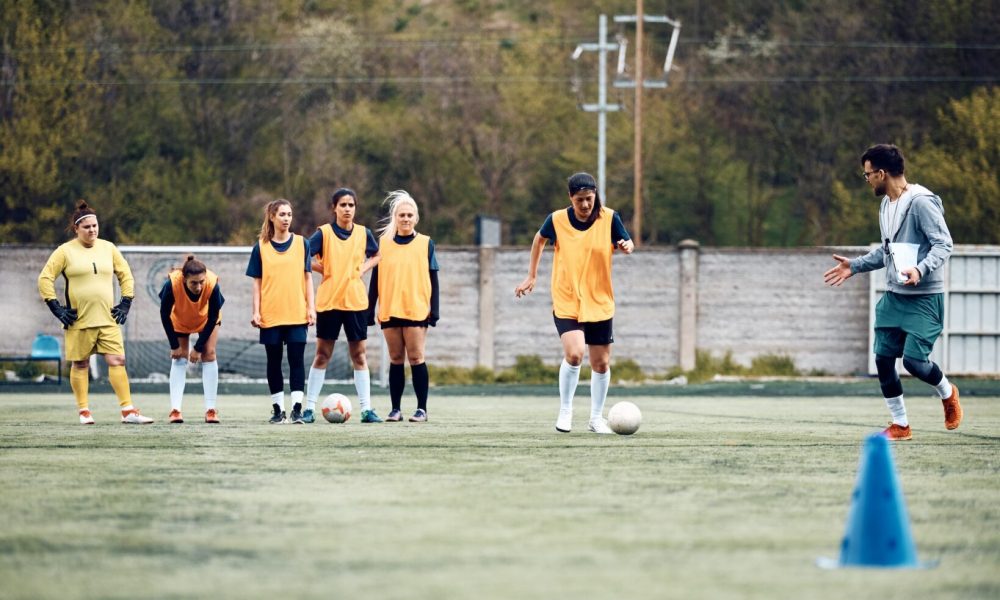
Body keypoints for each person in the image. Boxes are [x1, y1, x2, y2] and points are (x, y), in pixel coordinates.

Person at [823, 144, 961, 441]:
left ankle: (947, 393)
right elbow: (887, 253)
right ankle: (901, 424)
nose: (868, 180)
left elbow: (944, 245)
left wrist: (920, 269)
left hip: (924, 298)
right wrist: (855, 266)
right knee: (883, 360)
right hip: (894, 296)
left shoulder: (922, 202)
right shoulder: (885, 205)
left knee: (913, 362)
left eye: (868, 174)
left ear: (882, 173)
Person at [514, 172, 634, 434]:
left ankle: (595, 419)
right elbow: (539, 240)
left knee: (601, 363)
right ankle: (565, 411)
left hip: (599, 300)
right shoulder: (556, 219)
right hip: (567, 297)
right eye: (579, 200)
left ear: (595, 197)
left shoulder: (609, 217)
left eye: (589, 199)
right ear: (570, 198)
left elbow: (627, 240)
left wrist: (627, 245)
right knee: (575, 353)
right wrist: (531, 275)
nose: (585, 205)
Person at [37, 200, 153, 425]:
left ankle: (128, 411)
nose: (92, 230)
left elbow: (125, 275)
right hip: (78, 320)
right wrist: (56, 307)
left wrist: (126, 301)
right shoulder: (64, 251)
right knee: (80, 364)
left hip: (108, 319)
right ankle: (84, 412)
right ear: (76, 229)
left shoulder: (108, 248)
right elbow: (45, 278)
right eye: (87, 227)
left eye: (95, 226)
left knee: (117, 359)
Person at [304, 188, 382, 423]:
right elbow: (302, 254)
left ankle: (366, 410)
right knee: (322, 355)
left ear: (355, 208)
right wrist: (322, 268)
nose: (348, 209)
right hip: (329, 302)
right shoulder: (324, 233)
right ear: (334, 208)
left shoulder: (363, 233)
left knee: (359, 355)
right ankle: (309, 409)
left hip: (356, 303)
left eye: (351, 205)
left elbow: (377, 255)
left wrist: (364, 268)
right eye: (343, 205)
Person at [367, 190, 439, 422]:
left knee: (416, 358)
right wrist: (370, 310)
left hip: (416, 310)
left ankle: (422, 409)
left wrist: (434, 310)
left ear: (415, 218)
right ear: (394, 218)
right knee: (396, 358)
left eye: (409, 215)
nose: (405, 219)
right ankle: (395, 409)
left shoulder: (426, 243)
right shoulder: (383, 244)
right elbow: (376, 279)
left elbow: (434, 278)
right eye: (401, 215)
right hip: (390, 309)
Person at [246, 199, 316, 424]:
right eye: (282, 214)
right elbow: (257, 283)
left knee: (297, 361)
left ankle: (297, 410)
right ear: (272, 217)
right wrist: (256, 311)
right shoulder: (261, 247)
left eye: (289, 214)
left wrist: (311, 308)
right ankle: (278, 410)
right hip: (271, 315)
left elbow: (308, 278)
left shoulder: (302, 244)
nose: (287, 218)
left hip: (296, 313)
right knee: (273, 362)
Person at [159, 254, 225, 424]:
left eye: (201, 281)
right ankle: (175, 410)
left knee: (209, 354)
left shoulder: (212, 284)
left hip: (206, 320)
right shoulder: (172, 284)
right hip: (181, 319)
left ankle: (210, 410)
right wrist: (174, 345)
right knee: (179, 357)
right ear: (184, 280)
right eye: (193, 283)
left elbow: (213, 318)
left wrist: (198, 348)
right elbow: (164, 315)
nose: (198, 286)